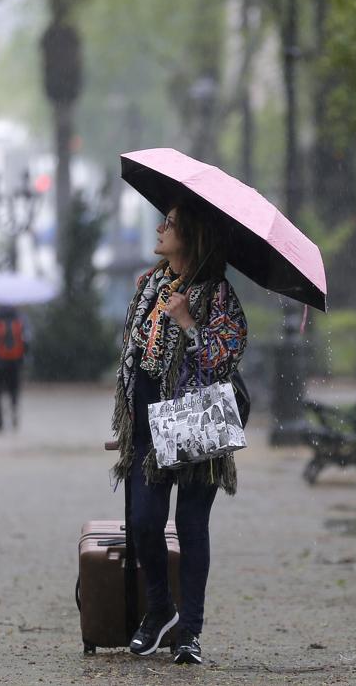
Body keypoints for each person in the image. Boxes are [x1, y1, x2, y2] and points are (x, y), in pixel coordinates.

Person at [110, 198, 247, 665]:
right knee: (143, 522)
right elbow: (133, 363)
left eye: (168, 224)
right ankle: (160, 610)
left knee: (191, 527)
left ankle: (189, 632)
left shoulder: (218, 294)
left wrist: (189, 321)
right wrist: (127, 422)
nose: (159, 228)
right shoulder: (150, 285)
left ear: (190, 237)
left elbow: (223, 358)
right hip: (147, 428)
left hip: (194, 426)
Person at [0, 305, 30, 432]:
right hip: (15, 361)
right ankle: (14, 412)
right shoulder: (21, 317)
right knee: (14, 390)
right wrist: (23, 357)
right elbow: (27, 340)